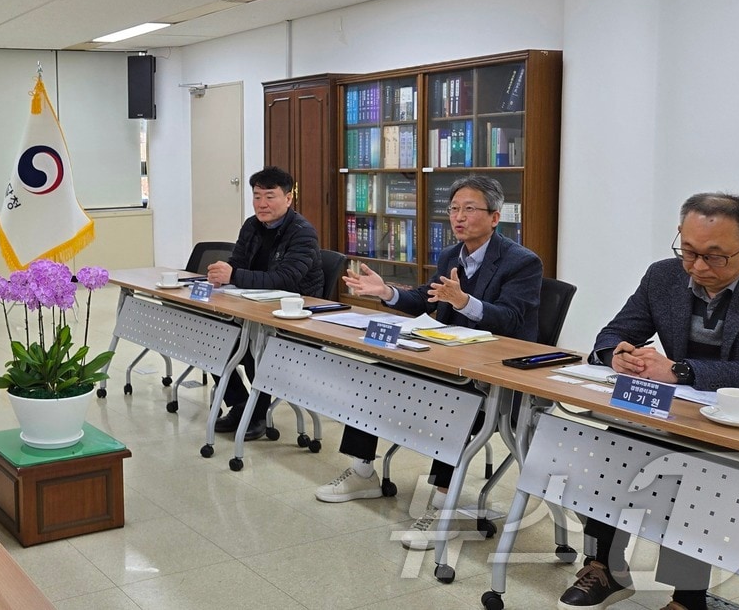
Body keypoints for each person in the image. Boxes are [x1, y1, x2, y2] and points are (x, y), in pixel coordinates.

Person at [558, 192, 739, 610]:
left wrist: (681, 371)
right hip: (676, 411)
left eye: (714, 257)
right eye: (689, 251)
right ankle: (603, 566)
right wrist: (617, 355)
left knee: (704, 474)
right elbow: (612, 334)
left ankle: (687, 598)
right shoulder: (662, 276)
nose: (698, 267)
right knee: (613, 445)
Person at [318, 174, 542, 550]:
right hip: (447, 360)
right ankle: (363, 471)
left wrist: (463, 302)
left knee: (456, 404)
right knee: (374, 375)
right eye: (453, 209)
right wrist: (387, 292)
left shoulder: (522, 262)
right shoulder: (452, 255)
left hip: (495, 376)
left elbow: (511, 320)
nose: (459, 217)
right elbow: (428, 297)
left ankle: (443, 503)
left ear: (494, 217)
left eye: (469, 209)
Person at [206, 166, 327, 441]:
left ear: (288, 198)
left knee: (255, 343)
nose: (262, 204)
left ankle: (257, 414)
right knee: (214, 339)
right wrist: (221, 275)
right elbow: (237, 263)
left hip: (294, 320)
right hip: (255, 310)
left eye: (270, 197)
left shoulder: (303, 233)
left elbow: (285, 279)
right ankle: (240, 404)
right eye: (257, 196)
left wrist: (234, 275)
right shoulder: (251, 225)